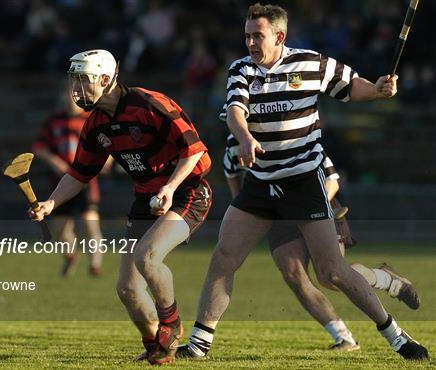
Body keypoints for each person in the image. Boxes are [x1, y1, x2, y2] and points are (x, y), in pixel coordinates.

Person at [177, 3, 428, 361]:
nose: (250, 42)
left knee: (333, 273)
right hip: (261, 182)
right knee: (224, 257)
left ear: (279, 36)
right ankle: (199, 345)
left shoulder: (311, 63)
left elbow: (351, 86)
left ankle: (396, 336)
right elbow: (235, 111)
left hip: (303, 180)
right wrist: (246, 138)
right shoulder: (241, 69)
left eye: (257, 35)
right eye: (247, 35)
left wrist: (376, 90)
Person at [28, 49, 212, 365]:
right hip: (146, 198)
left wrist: (169, 187)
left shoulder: (149, 104)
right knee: (127, 289)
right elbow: (80, 173)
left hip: (187, 192)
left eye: (83, 80)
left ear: (104, 78)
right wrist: (51, 203)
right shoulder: (96, 123)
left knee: (147, 256)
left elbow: (194, 149)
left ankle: (171, 323)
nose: (77, 89)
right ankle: (157, 345)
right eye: (74, 81)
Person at [197, 136, 420, 352]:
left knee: (331, 277)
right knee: (294, 275)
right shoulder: (233, 145)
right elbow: (239, 191)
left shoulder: (293, 132)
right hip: (276, 213)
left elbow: (332, 181)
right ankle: (343, 337)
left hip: (317, 203)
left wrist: (318, 212)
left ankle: (387, 279)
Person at [32, 84, 108, 277]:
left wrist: (107, 160)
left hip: (86, 180)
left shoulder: (92, 119)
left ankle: (95, 265)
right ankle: (70, 255)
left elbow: (111, 143)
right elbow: (39, 147)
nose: (71, 98)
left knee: (90, 223)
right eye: (67, 94)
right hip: (61, 181)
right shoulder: (54, 122)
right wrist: (55, 162)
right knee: (60, 229)